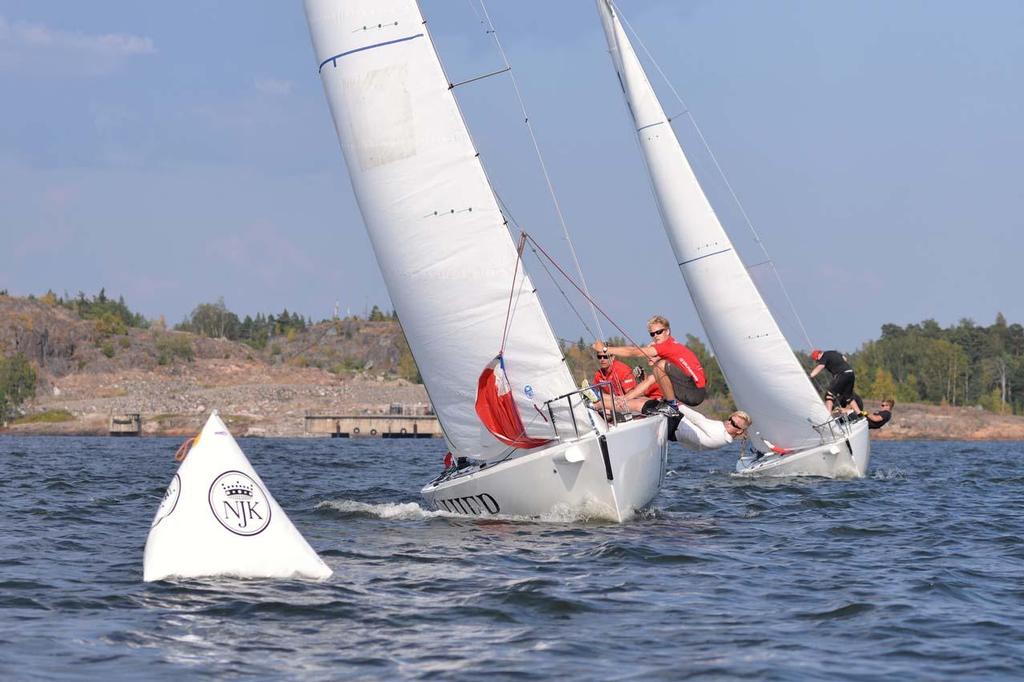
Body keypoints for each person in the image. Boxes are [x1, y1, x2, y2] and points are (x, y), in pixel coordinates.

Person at [593, 316, 706, 417]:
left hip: (694, 392)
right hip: (689, 392)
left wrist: (605, 349)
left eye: (659, 332)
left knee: (659, 366)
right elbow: (647, 382)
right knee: (657, 370)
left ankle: (671, 405)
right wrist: (625, 398)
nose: (656, 336)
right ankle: (670, 404)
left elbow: (634, 352)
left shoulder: (667, 346)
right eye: (652, 334)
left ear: (668, 331)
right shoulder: (667, 357)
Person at [667, 406, 751, 451]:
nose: (729, 422)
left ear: (739, 431)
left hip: (675, 422)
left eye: (733, 423)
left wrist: (678, 405)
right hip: (675, 432)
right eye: (730, 419)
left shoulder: (719, 432)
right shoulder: (723, 441)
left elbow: (698, 419)